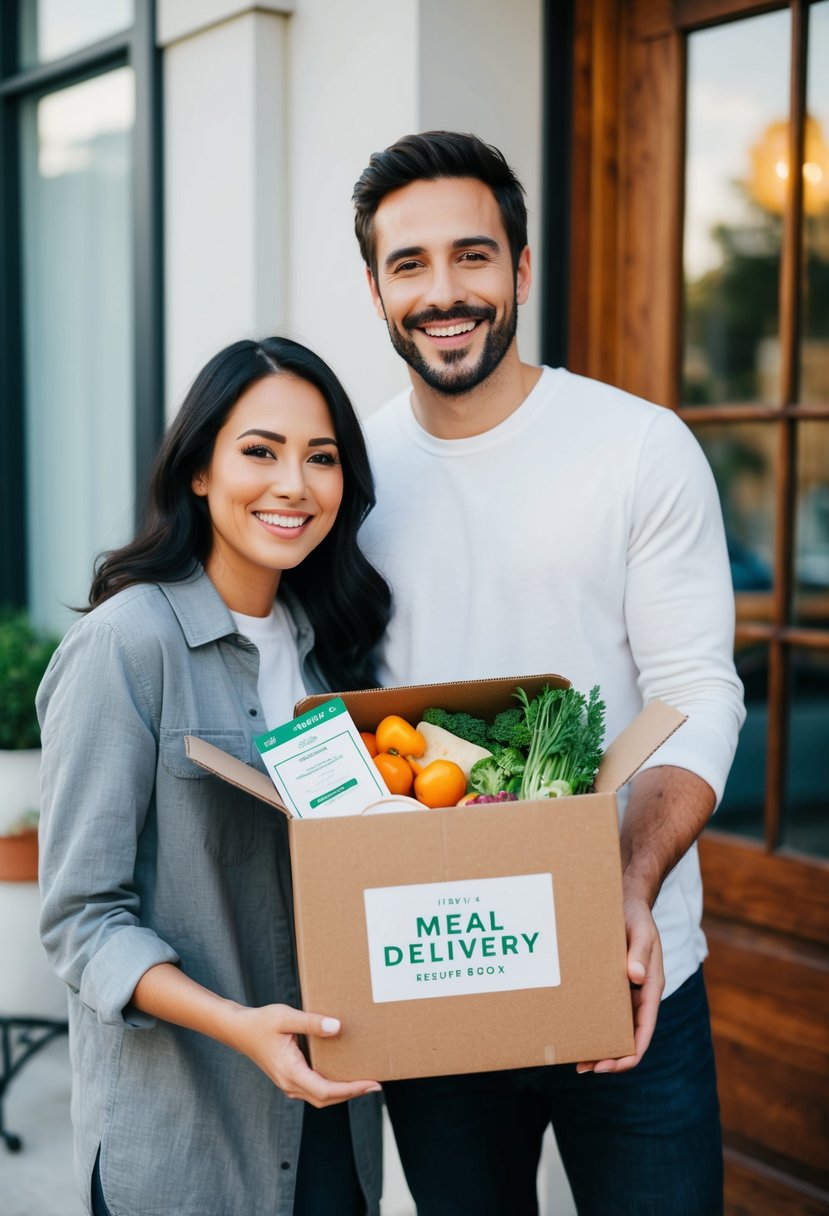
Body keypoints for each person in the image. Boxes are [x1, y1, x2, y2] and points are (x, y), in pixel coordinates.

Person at [352, 131, 745, 1215]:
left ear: (521, 270)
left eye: (473, 256)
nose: (444, 292)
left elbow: (696, 689)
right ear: (377, 288)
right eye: (409, 264)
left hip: (625, 966)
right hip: (433, 970)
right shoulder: (351, 478)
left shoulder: (636, 447)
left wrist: (627, 884)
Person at [36, 337, 392, 1216]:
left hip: (335, 1125)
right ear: (199, 469)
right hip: (188, 1139)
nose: (293, 485)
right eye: (259, 451)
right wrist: (239, 1027)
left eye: (322, 458)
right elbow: (83, 920)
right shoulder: (128, 645)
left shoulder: (333, 656)